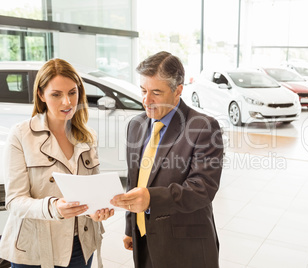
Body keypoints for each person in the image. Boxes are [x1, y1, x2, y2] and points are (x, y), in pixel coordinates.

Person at [110, 51, 224, 268]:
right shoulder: (136, 125)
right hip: (144, 239)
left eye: (156, 93)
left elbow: (203, 189)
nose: (146, 100)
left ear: (178, 90)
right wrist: (131, 227)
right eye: (143, 90)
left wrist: (151, 198)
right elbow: (134, 182)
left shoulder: (202, 127)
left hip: (185, 247)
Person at [0, 58, 114, 268]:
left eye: (72, 92)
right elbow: (14, 201)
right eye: (56, 94)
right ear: (41, 95)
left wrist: (99, 209)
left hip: (81, 246)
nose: (67, 102)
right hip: (35, 250)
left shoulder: (88, 137)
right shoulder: (21, 135)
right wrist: (53, 207)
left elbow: (94, 192)